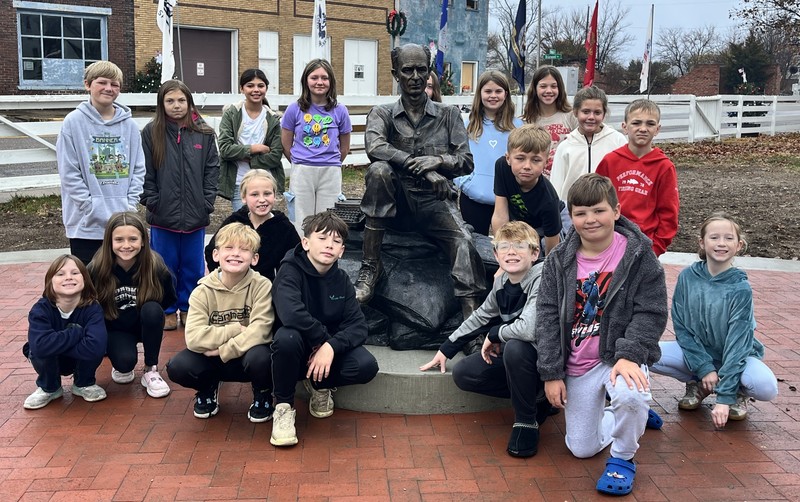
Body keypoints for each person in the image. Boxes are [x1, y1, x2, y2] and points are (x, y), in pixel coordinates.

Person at [536, 173, 667, 496]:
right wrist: (552, 372)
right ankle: (629, 417)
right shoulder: (558, 261)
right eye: (580, 213)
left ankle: (624, 456)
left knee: (630, 393)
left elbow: (651, 311)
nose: (590, 220)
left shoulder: (638, 256)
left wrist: (629, 355)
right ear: (571, 216)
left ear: (616, 211)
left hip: (618, 356)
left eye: (598, 210)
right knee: (581, 448)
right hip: (579, 363)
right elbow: (548, 316)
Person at [354, 43, 487, 321]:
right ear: (395, 74)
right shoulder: (382, 113)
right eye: (407, 70)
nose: (415, 76)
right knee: (379, 171)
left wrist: (438, 162)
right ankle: (370, 267)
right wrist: (422, 169)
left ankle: (471, 315)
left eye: (421, 70)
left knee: (464, 241)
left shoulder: (448, 114)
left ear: (429, 73)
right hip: (397, 203)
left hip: (434, 202)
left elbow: (466, 160)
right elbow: (375, 147)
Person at [420, 221, 549, 458]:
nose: (511, 251)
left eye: (520, 246)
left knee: (516, 348)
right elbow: (480, 316)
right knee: (465, 373)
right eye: (505, 246)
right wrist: (446, 349)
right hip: (521, 363)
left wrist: (495, 334)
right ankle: (537, 397)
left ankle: (526, 421)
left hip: (547, 361)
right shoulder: (501, 282)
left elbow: (530, 329)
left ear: (535, 253)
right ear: (496, 254)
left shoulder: (542, 279)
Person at [651, 213, 778, 428]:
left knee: (766, 386)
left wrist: (724, 399)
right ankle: (697, 384)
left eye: (729, 238)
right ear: (702, 242)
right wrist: (704, 367)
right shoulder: (687, 277)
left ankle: (736, 392)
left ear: (739, 245)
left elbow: (738, 344)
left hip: (734, 356)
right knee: (646, 354)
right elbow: (682, 327)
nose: (721, 243)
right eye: (714, 237)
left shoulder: (740, 288)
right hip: (697, 355)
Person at [270, 212, 379, 446]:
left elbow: (358, 325)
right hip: (297, 348)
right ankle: (283, 407)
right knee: (286, 337)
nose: (329, 245)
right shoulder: (289, 272)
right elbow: (291, 314)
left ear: (341, 251)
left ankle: (320, 385)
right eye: (322, 238)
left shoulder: (341, 279)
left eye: (336, 241)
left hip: (326, 349)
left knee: (365, 365)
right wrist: (322, 339)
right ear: (306, 242)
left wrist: (330, 346)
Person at [167, 223, 275, 422]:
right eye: (229, 248)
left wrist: (224, 350)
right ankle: (207, 387)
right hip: (214, 360)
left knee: (262, 357)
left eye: (244, 249)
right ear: (216, 255)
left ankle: (263, 393)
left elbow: (261, 331)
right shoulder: (202, 291)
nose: (236, 254)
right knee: (179, 366)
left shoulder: (262, 286)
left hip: (244, 356)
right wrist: (236, 328)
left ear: (254, 258)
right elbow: (194, 338)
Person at [140, 79, 219, 330]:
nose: (176, 106)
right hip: (163, 216)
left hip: (195, 215)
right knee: (164, 266)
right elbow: (145, 171)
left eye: (181, 100)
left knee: (193, 266)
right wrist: (152, 201)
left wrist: (206, 201)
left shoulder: (203, 132)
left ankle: (189, 308)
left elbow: (212, 169)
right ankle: (167, 309)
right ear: (161, 104)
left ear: (189, 102)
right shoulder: (151, 132)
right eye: (170, 101)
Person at [56, 61, 145, 265]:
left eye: (114, 84)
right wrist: (90, 206)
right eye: (102, 82)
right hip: (86, 225)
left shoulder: (130, 125)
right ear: (88, 84)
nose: (108, 88)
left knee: (121, 284)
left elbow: (139, 169)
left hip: (123, 224)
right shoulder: (73, 122)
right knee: (90, 284)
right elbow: (69, 172)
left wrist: (129, 205)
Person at [89, 212, 176, 398]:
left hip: (145, 323)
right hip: (116, 327)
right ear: (109, 242)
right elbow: (88, 304)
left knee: (153, 309)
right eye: (119, 239)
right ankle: (119, 356)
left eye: (133, 239)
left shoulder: (155, 265)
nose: (126, 245)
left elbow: (168, 297)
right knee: (125, 364)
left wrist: (152, 318)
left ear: (143, 241)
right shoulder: (97, 268)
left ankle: (150, 369)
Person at [596, 99, 679, 257]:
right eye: (636, 123)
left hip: (644, 245)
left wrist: (656, 248)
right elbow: (595, 201)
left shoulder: (664, 167)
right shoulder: (610, 161)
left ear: (657, 129)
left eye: (650, 124)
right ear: (625, 127)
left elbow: (669, 213)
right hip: (609, 241)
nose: (643, 129)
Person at [24, 255, 108, 409]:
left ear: (85, 279)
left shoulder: (92, 308)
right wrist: (76, 332)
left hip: (80, 358)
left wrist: (54, 343)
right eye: (60, 274)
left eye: (75, 273)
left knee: (93, 349)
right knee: (35, 349)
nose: (68, 277)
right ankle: (49, 387)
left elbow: (96, 347)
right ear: (50, 281)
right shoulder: (40, 310)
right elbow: (40, 347)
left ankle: (84, 383)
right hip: (51, 360)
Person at [281, 59, 352, 234]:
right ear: (306, 80)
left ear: (331, 82)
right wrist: (301, 160)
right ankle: (301, 255)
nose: (319, 82)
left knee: (327, 218)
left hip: (330, 170)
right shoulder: (294, 109)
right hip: (302, 170)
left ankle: (322, 257)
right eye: (314, 77)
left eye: (324, 78)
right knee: (301, 217)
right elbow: (286, 143)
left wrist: (329, 160)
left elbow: (344, 146)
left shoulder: (340, 110)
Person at [455, 71, 522, 235]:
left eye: (498, 91)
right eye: (488, 91)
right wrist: (467, 184)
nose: (493, 96)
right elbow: (455, 158)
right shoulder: (465, 125)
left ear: (505, 94)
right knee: (475, 247)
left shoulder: (518, 126)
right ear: (480, 94)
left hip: (508, 200)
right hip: (473, 200)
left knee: (508, 246)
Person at [205, 169, 300, 281]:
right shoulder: (234, 221)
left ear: (274, 195)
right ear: (244, 197)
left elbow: (294, 263)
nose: (262, 200)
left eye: (267, 193)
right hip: (232, 285)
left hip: (266, 288)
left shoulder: (284, 228)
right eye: (254, 194)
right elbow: (212, 252)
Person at [218, 68, 284, 211]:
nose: (256, 90)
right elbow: (225, 149)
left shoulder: (273, 118)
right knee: (244, 227)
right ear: (242, 88)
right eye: (250, 86)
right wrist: (255, 149)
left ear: (266, 88)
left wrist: (248, 158)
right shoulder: (231, 114)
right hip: (239, 182)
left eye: (260, 86)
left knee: (265, 227)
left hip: (266, 182)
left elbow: (275, 156)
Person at [491, 124, 562, 255]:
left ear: (546, 163)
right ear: (508, 158)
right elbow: (500, 215)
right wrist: (502, 252)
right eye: (520, 158)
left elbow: (552, 248)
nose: (527, 166)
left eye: (536, 160)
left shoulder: (549, 200)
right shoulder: (502, 167)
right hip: (518, 222)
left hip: (546, 227)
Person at [550, 85, 627, 200]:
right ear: (575, 112)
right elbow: (556, 186)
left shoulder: (618, 141)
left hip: (608, 210)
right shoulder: (566, 147)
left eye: (597, 112)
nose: (591, 117)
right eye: (586, 112)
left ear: (604, 114)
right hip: (573, 213)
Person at [521, 65, 578, 178]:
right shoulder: (526, 121)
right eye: (543, 86)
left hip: (566, 179)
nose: (549, 91)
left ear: (560, 89)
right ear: (535, 89)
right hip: (538, 182)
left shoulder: (572, 116)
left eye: (553, 86)